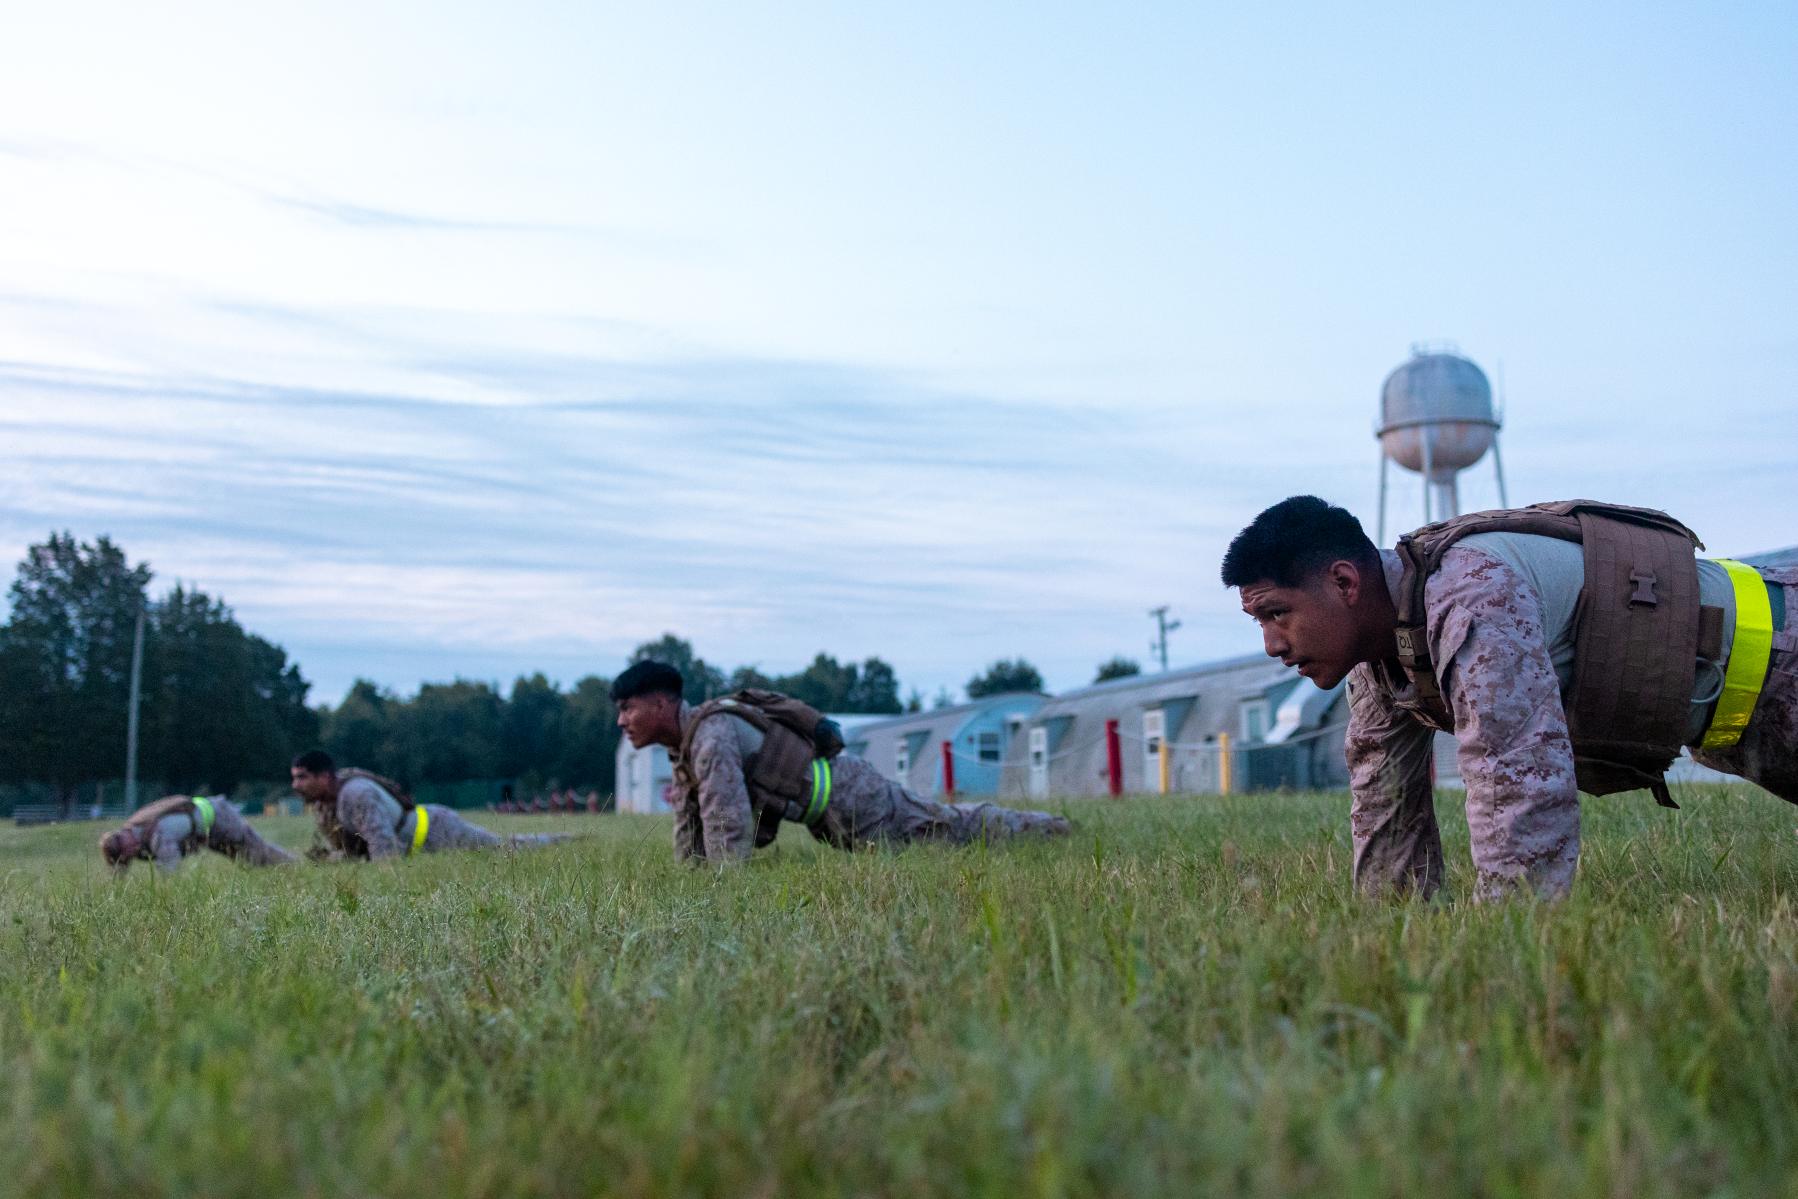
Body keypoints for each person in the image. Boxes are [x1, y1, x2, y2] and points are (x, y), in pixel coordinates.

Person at [1222, 495, 1797, 901]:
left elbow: (1517, 782)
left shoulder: (1473, 596)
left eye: (1277, 613)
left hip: (1780, 656)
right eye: (1257, 622)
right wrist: (1394, 943)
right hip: (1739, 721)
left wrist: (1504, 954)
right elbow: (1385, 808)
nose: (1272, 644)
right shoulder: (1380, 658)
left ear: (1345, 583)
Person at [611, 661, 1071, 863]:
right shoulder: (687, 744)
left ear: (658, 705)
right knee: (938, 838)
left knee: (948, 829)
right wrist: (691, 877)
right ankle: (1040, 829)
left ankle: (1048, 830)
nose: (621, 720)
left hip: (854, 798)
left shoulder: (710, 737)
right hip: (831, 817)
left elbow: (725, 821)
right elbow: (689, 823)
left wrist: (721, 891)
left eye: (628, 708)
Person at [289, 751, 570, 860]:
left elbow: (384, 849)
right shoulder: (327, 804)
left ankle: (562, 841)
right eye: (294, 778)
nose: (296, 785)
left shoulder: (355, 795)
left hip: (440, 830)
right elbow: (356, 854)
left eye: (302, 778)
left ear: (324, 777)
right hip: (426, 836)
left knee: (506, 847)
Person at [100, 793, 298, 872]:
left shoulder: (156, 835)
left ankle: (295, 866)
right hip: (208, 826)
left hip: (219, 818)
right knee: (247, 861)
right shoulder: (135, 826)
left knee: (257, 852)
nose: (127, 851)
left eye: (122, 847)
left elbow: (169, 868)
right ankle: (287, 869)